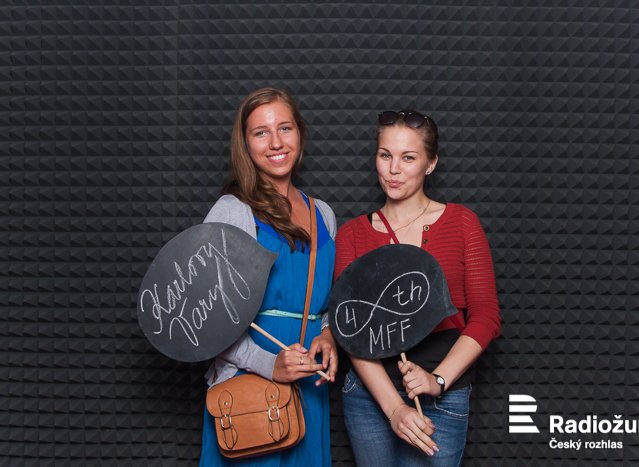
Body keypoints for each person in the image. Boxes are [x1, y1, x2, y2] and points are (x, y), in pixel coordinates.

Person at [334, 110, 501, 466]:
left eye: (408, 158)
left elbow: (486, 317)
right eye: (385, 155)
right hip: (369, 398)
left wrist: (437, 381)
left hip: (443, 397)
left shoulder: (462, 223)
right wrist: (394, 408)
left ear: (431, 163)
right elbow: (350, 328)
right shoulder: (351, 235)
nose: (393, 169)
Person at [199, 87, 338, 467]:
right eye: (261, 132)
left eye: (285, 128)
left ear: (300, 134)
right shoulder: (233, 211)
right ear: (245, 144)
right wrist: (269, 364)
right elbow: (206, 319)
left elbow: (324, 304)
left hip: (309, 384)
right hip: (251, 388)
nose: (276, 143)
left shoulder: (322, 214)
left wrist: (328, 335)